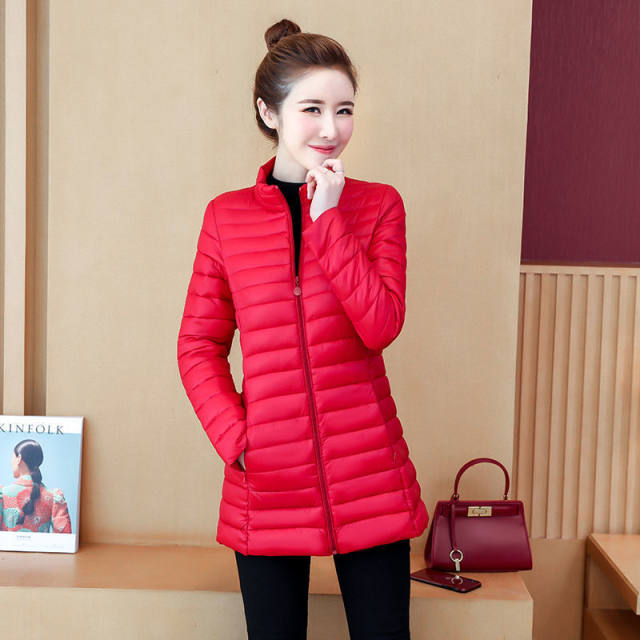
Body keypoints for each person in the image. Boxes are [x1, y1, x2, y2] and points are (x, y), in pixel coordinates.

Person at [177, 18, 429, 639]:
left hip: (369, 473)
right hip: (266, 480)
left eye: (344, 110)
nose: (331, 128)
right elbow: (198, 344)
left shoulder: (378, 206)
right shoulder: (226, 218)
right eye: (312, 109)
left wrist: (329, 218)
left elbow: (380, 325)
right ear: (270, 113)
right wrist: (239, 440)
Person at [0, 439, 72, 533]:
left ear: (19, 458)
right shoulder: (54, 497)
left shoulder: (3, 494)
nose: (11, 462)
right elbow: (64, 536)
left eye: (12, 457)